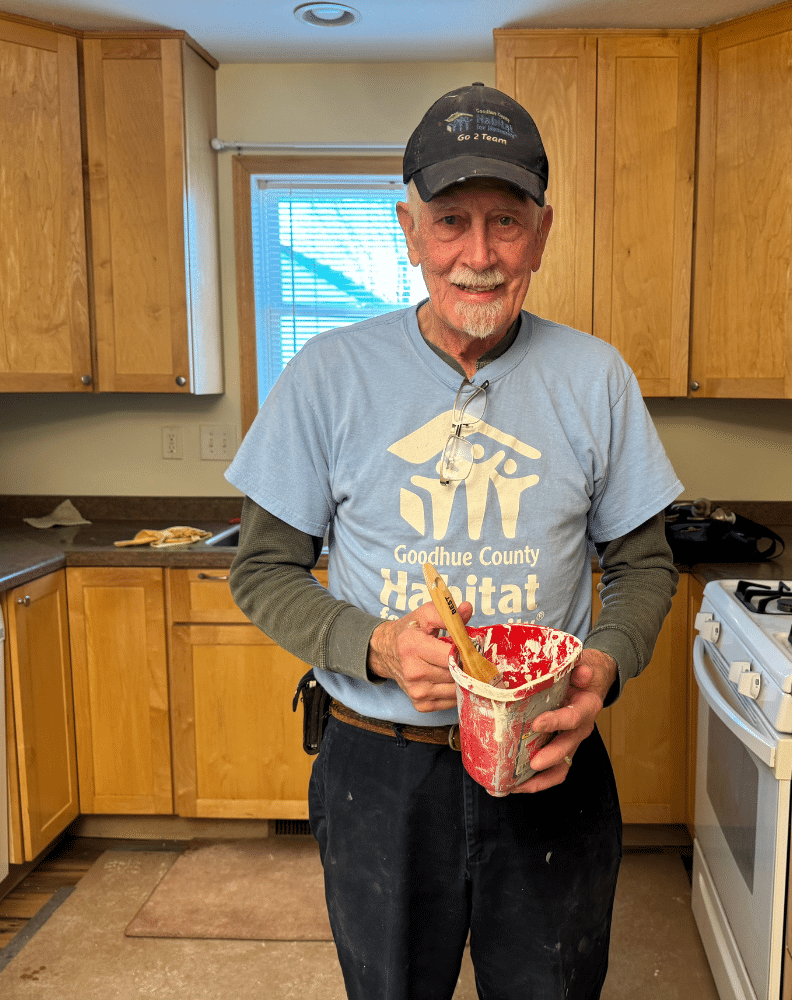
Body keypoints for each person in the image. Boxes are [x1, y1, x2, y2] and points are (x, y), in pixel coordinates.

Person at [225, 82, 682, 1000]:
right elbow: (262, 571)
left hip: (549, 759)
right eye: (450, 221)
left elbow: (643, 562)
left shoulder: (596, 378)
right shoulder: (328, 375)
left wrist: (603, 666)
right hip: (379, 772)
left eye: (506, 222)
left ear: (543, 234)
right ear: (408, 229)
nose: (478, 256)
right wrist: (376, 644)